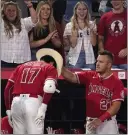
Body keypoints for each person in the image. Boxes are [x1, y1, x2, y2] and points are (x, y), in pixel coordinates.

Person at [61, 50, 125, 134]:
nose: (97, 64)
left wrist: (100, 119)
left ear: (109, 65)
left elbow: (116, 106)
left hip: (107, 123)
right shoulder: (90, 75)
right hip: (90, 122)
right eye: (97, 61)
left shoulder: (116, 82)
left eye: (101, 62)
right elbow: (72, 77)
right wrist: (59, 65)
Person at [4, 48, 63, 134]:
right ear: (52, 63)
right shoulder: (50, 67)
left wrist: (8, 109)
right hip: (33, 102)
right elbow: (49, 87)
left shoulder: (20, 66)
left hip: (16, 102)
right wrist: (43, 107)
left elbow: (8, 89)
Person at [1, 0, 38, 68]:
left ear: (17, 12)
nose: (11, 12)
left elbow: (35, 20)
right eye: (8, 10)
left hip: (23, 60)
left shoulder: (23, 22)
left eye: (13, 10)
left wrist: (30, 5)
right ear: (4, 12)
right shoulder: (1, 23)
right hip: (4, 60)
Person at [63, 1, 97, 69]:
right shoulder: (69, 25)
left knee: (90, 79)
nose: (82, 11)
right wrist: (75, 32)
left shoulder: (92, 24)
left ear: (87, 11)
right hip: (75, 59)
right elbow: (73, 45)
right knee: (75, 78)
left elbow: (94, 44)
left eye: (84, 9)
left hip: (89, 58)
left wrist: (91, 30)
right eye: (79, 9)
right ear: (75, 10)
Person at [98, 0, 127, 70]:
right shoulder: (105, 17)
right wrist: (103, 55)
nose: (115, 1)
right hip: (109, 62)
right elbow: (100, 39)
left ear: (123, 1)